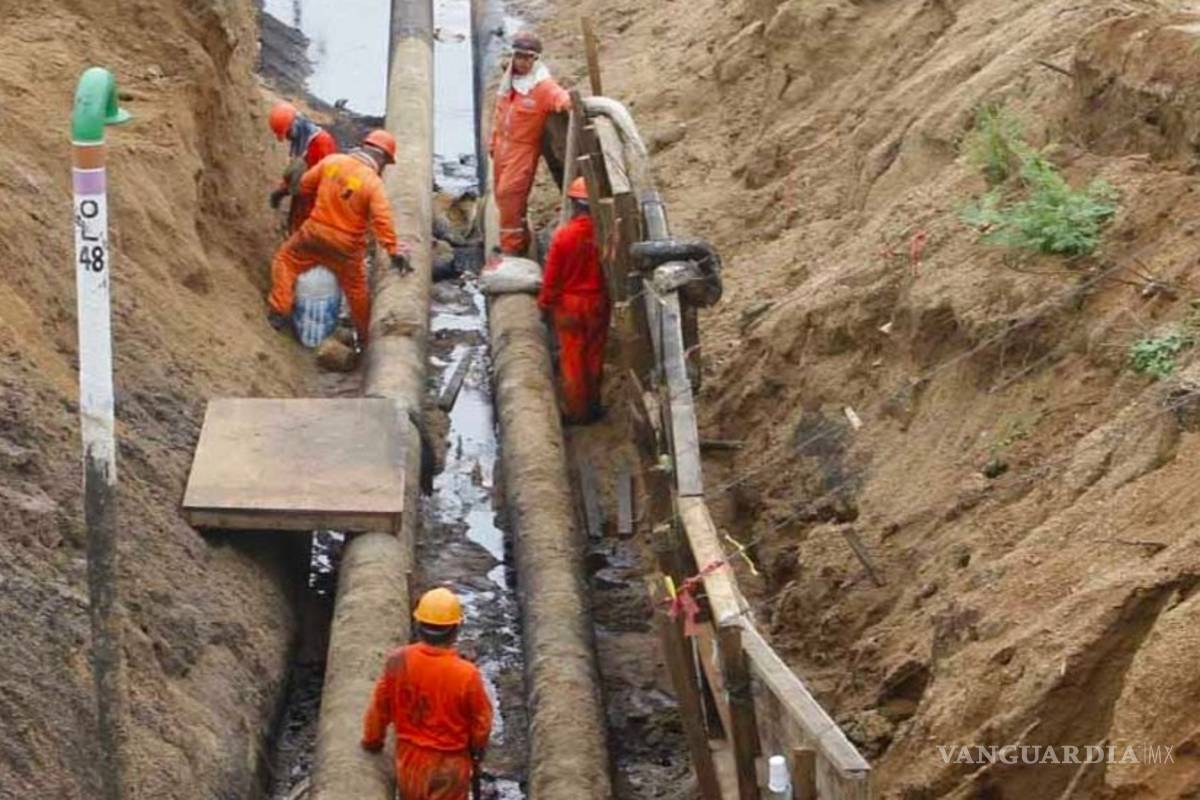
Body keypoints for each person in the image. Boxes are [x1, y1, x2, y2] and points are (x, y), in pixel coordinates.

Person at [266, 129, 411, 344]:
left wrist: (282, 191)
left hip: (313, 234)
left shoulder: (332, 162)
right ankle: (365, 339)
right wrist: (393, 250)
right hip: (346, 248)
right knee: (356, 292)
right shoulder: (373, 184)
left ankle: (279, 311)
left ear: (365, 146)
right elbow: (382, 220)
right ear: (382, 159)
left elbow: (303, 186)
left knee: (286, 260)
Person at [361, 588, 493, 800]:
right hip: (451, 764)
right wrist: (477, 750)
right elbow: (482, 722)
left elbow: (380, 707)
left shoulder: (398, 660)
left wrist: (372, 740)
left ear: (419, 626)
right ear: (455, 629)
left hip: (411, 762)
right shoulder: (467, 674)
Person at [489, 30, 571, 256]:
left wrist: (574, 104)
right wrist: (492, 141)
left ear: (536, 60)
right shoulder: (509, 81)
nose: (523, 62)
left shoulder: (542, 86)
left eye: (528, 58)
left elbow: (561, 99)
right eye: (519, 56)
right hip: (502, 146)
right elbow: (499, 112)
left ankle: (511, 249)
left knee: (510, 195)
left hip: (522, 149)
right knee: (499, 194)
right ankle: (521, 237)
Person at [538, 177, 609, 424]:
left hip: (569, 306)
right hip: (598, 303)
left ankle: (578, 413)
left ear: (574, 204)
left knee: (572, 360)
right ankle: (594, 405)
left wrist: (545, 304)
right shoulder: (606, 234)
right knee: (594, 355)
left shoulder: (564, 236)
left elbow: (552, 277)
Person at [267, 101, 338, 232]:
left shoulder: (322, 143)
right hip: (303, 200)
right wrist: (283, 189)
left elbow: (325, 182)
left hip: (315, 205)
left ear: (295, 124)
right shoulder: (301, 142)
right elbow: (297, 172)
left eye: (288, 133)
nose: (288, 138)